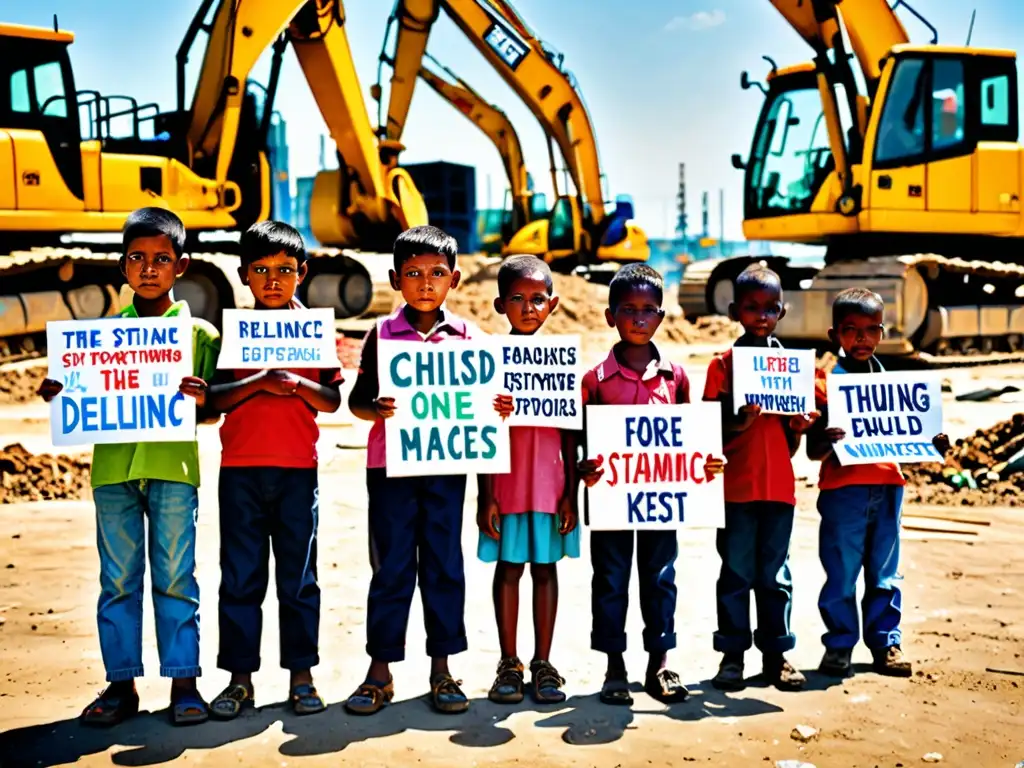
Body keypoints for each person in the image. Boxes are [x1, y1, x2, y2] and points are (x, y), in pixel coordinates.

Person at [37, 207, 221, 727]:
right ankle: (122, 685)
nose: (148, 268)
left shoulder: (200, 337)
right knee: (117, 579)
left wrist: (201, 398)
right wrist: (59, 391)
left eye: (160, 259)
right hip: (114, 474)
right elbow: (78, 398)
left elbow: (211, 412)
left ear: (180, 266)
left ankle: (184, 682)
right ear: (122, 266)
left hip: (172, 469)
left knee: (175, 575)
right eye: (136, 258)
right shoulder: (95, 341)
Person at [182, 221, 341, 719]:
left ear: (303, 273)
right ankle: (239, 679)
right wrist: (260, 382)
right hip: (241, 474)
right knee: (241, 578)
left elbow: (333, 399)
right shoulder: (235, 334)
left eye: (285, 270)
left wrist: (295, 382)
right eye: (262, 270)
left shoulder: (315, 332)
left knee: (298, 580)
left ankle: (302, 677)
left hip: (298, 472)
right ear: (244, 275)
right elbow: (213, 400)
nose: (273, 280)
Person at [342, 225, 501, 716]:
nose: (425, 283)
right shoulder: (381, 334)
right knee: (390, 569)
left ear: (454, 280)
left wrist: (498, 406)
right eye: (413, 274)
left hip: (447, 469)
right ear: (395, 279)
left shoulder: (472, 339)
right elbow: (356, 402)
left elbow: (484, 411)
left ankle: (443, 669)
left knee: (443, 567)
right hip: (390, 467)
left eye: (436, 274)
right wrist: (378, 408)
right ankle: (380, 672)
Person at [577, 263, 725, 706]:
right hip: (610, 500)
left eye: (649, 310)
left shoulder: (676, 377)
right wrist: (585, 469)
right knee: (610, 579)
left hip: (662, 502)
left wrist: (705, 463)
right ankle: (614, 665)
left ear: (661, 317)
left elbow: (687, 437)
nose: (639, 319)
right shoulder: (594, 381)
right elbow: (583, 439)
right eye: (628, 310)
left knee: (661, 578)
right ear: (610, 316)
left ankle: (659, 663)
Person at [806, 287, 950, 678]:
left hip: (888, 489)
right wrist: (826, 438)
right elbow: (812, 451)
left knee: (886, 573)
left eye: (871, 330)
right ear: (834, 334)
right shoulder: (824, 385)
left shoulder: (897, 389)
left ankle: (886, 642)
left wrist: (932, 443)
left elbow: (908, 440)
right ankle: (838, 645)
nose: (862, 338)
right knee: (841, 572)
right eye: (851, 330)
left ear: (883, 333)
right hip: (843, 493)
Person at [702, 265, 818, 692]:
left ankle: (777, 654)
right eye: (752, 308)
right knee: (735, 573)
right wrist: (740, 418)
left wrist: (799, 426)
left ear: (783, 311)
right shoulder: (722, 366)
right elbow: (708, 428)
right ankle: (732, 657)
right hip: (733, 489)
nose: (762, 315)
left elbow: (790, 446)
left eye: (771, 308)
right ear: (735, 311)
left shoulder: (793, 369)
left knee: (775, 575)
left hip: (778, 490)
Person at [478, 255, 580, 706]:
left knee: (545, 570)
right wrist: (485, 497)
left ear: (553, 304)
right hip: (505, 487)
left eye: (538, 299)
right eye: (517, 299)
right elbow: (478, 434)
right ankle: (508, 661)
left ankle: (543, 662)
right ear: (501, 305)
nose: (528, 307)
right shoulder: (488, 364)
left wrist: (571, 495)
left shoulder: (565, 366)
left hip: (551, 489)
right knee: (509, 569)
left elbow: (575, 440)